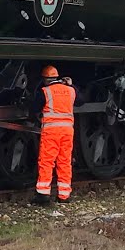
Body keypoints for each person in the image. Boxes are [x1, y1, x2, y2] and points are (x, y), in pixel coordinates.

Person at [32, 65, 76, 204]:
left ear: (45, 79)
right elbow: (81, 100)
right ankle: (64, 196)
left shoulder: (45, 91)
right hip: (68, 131)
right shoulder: (71, 90)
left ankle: (43, 195)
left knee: (46, 161)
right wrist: (70, 84)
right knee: (65, 161)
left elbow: (34, 108)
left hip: (52, 131)